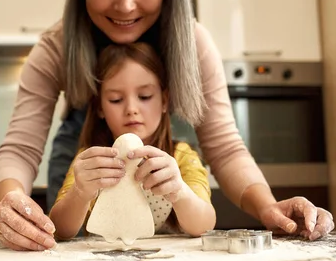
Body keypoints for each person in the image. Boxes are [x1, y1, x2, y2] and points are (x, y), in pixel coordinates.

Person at [0, 0, 335, 252]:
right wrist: (12, 202)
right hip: (86, 147)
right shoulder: (56, 47)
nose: (125, 5)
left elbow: (226, 148)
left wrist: (267, 206)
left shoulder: (194, 44)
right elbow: (20, 149)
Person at [49, 43, 216, 239]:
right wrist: (80, 192)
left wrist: (179, 191)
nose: (131, 108)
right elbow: (59, 229)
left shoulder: (181, 157)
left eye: (144, 96)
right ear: (100, 108)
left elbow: (205, 226)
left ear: (164, 101)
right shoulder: (92, 161)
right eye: (116, 99)